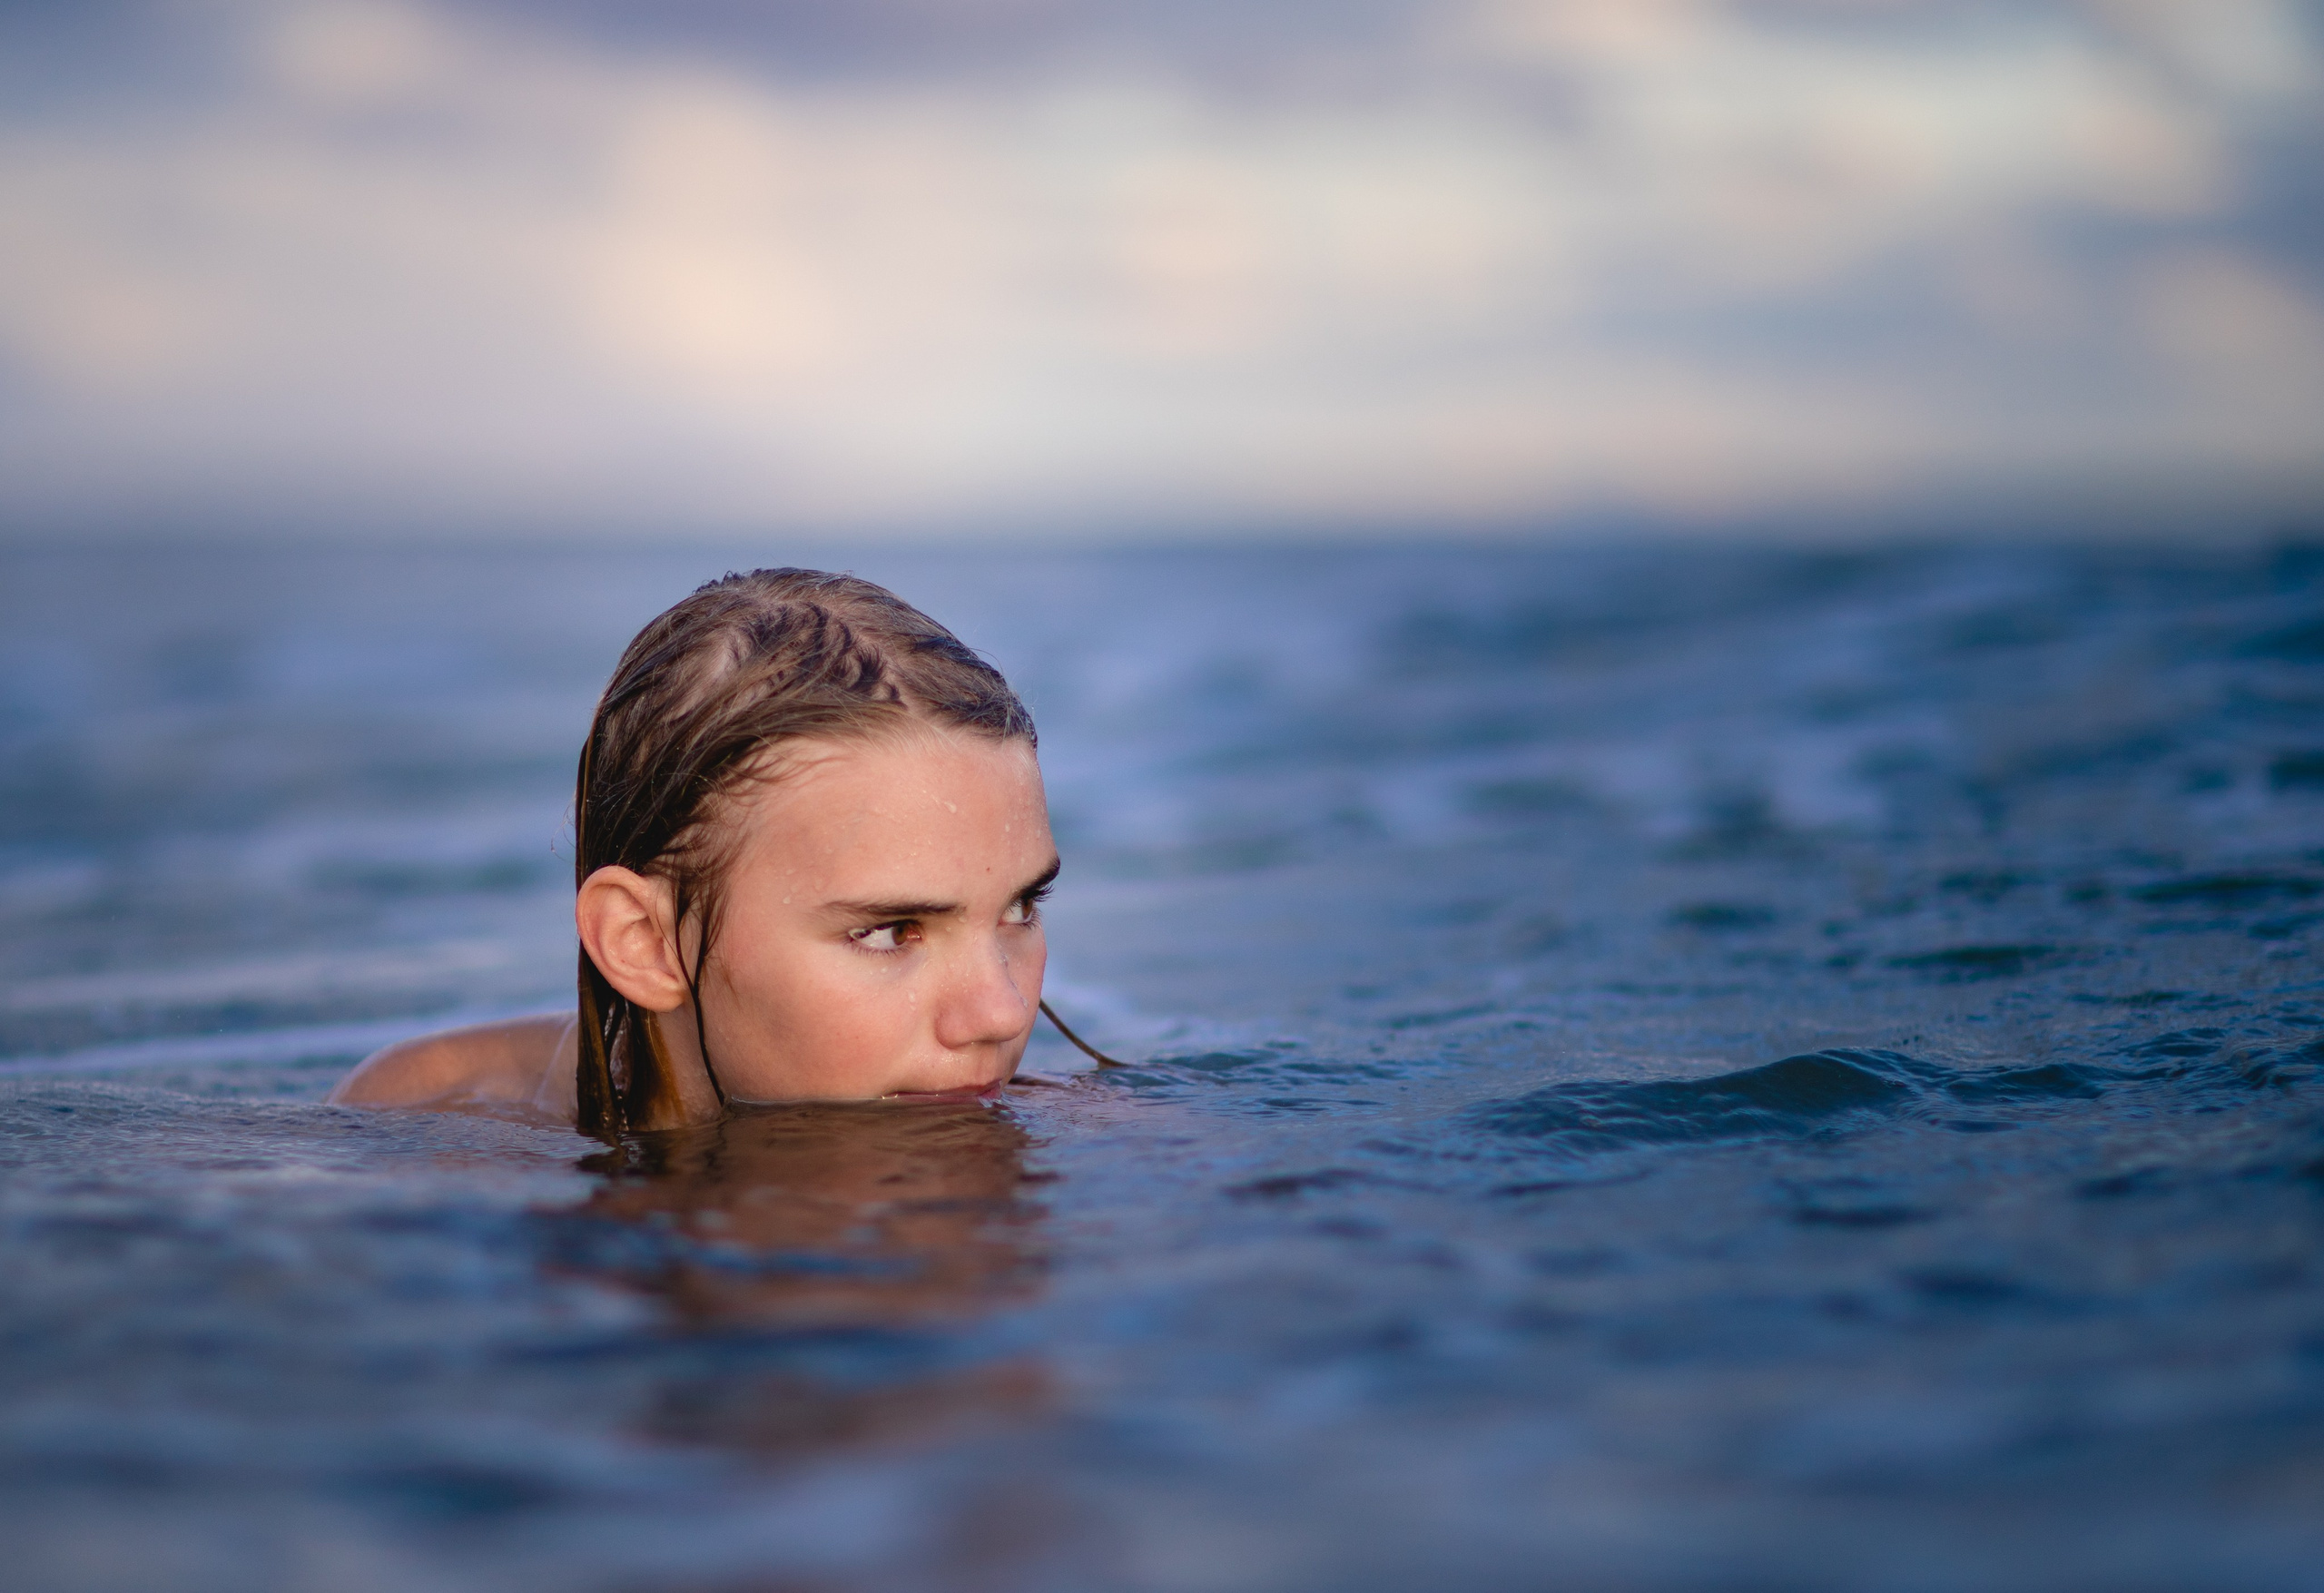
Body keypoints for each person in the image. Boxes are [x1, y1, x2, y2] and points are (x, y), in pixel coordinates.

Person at [329, 568, 1062, 1137]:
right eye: (889, 930)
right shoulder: (423, 1121)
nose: (1000, 1012)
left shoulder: (1110, 1136)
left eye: (1021, 907)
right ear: (644, 942)